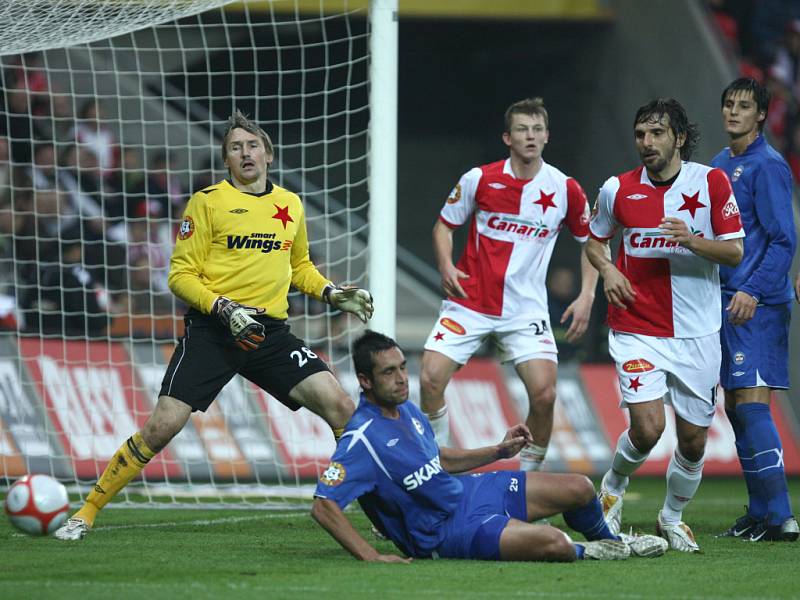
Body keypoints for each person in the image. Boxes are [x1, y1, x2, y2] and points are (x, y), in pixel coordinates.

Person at [55, 109, 374, 540]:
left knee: (342, 408)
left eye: (253, 145)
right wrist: (224, 308)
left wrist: (331, 293)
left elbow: (298, 266)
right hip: (213, 331)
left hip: (270, 335)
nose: (245, 153)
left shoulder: (290, 205)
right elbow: (180, 275)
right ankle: (87, 511)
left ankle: (376, 513)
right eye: (236, 148)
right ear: (226, 161)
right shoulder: (207, 202)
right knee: (162, 426)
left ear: (269, 155)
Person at [311, 330, 667, 562]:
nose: (402, 378)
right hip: (444, 532)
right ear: (364, 381)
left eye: (403, 367)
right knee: (555, 544)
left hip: (469, 492)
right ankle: (590, 552)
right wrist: (371, 556)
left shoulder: (405, 407)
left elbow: (438, 459)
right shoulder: (361, 438)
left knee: (579, 487)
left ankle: (615, 542)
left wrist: (496, 451)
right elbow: (324, 506)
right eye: (389, 372)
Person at [586, 98, 745, 553]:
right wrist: (609, 271)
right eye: (640, 134)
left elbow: (734, 251)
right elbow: (595, 241)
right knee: (648, 428)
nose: (647, 143)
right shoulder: (617, 189)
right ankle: (612, 488)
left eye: (656, 134)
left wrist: (692, 241)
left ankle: (671, 518)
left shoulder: (710, 183)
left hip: (697, 332)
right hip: (637, 327)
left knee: (693, 442)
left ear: (679, 137)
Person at [419, 97, 598, 472]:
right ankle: (437, 467)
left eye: (536, 129)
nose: (530, 136)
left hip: (525, 309)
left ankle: (527, 482)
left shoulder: (565, 189)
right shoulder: (479, 179)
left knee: (545, 395)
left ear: (547, 136)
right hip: (469, 303)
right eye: (522, 129)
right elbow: (444, 226)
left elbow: (593, 242)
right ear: (507, 137)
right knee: (430, 378)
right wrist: (446, 266)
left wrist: (587, 294)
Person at [711, 77, 798, 542]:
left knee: (752, 404)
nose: (733, 112)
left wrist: (756, 291)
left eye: (743, 106)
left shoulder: (768, 166)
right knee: (736, 405)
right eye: (728, 104)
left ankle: (783, 516)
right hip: (725, 304)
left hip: (756, 305)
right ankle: (761, 512)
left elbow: (784, 240)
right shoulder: (720, 164)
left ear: (761, 115)